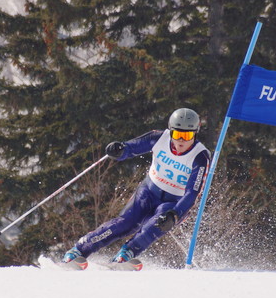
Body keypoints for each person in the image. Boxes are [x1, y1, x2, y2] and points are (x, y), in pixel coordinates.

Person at [63, 108, 210, 266]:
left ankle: (126, 254)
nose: (181, 140)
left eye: (187, 135)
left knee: (155, 226)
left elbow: (192, 193)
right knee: (126, 222)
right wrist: (120, 150)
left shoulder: (200, 157)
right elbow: (131, 148)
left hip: (174, 202)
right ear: (170, 131)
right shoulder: (159, 138)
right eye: (177, 134)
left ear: (195, 133)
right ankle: (79, 250)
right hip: (149, 191)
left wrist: (175, 214)